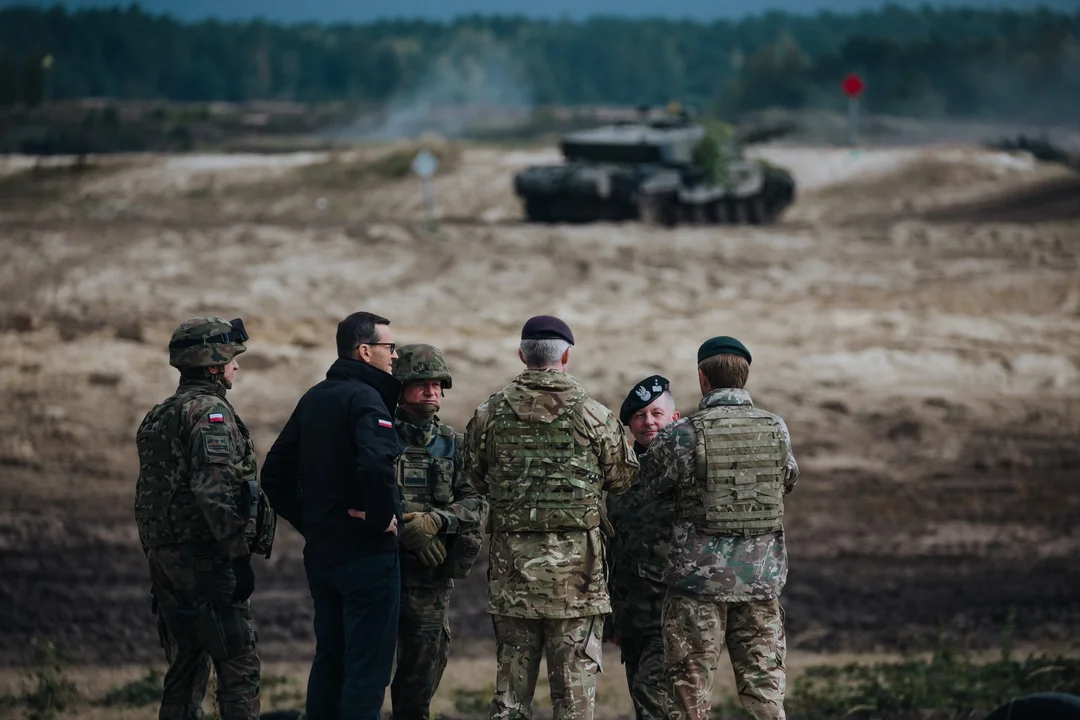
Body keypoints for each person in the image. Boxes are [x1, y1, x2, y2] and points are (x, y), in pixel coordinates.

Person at [464, 315, 639, 720]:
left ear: (522, 354)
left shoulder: (489, 414)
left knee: (510, 699)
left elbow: (473, 475)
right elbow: (623, 476)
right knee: (574, 699)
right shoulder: (594, 415)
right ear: (566, 355)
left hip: (513, 578)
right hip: (577, 581)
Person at [643, 337, 800, 720]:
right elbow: (789, 479)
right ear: (745, 376)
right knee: (765, 694)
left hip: (697, 588)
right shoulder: (775, 427)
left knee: (689, 694)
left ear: (703, 378)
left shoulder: (684, 434)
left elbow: (650, 486)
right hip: (761, 583)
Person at [261, 311, 403, 720]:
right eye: (388, 347)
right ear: (365, 351)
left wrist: (315, 523)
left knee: (330, 660)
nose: (394, 356)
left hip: (324, 555)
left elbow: (273, 474)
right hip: (367, 556)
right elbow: (376, 465)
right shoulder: (367, 399)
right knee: (367, 668)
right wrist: (379, 519)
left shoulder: (315, 396)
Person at [134, 316, 276, 720]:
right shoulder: (210, 413)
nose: (236, 366)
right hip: (206, 560)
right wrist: (237, 555)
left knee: (185, 667)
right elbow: (212, 488)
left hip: (165, 560)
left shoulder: (159, 415)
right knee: (238, 667)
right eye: (231, 359)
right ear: (212, 365)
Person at [389, 343, 488, 720]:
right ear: (399, 387)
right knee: (365, 677)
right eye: (420, 383)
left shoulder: (454, 444)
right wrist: (406, 528)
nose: (431, 391)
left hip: (430, 585)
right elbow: (361, 497)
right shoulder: (379, 437)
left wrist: (436, 522)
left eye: (437, 384)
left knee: (419, 684)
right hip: (381, 574)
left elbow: (478, 502)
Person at [606, 375, 681, 720]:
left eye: (656, 413)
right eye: (639, 416)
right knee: (648, 703)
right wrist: (613, 618)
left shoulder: (686, 469)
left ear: (674, 418)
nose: (648, 422)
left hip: (672, 612)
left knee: (651, 695)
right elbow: (612, 543)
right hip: (631, 613)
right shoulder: (619, 474)